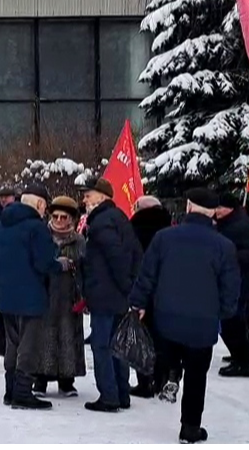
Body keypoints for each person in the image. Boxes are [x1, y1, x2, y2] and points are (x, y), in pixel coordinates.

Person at [130, 188, 240, 444]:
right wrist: (222, 312)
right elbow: (231, 287)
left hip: (167, 315)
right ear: (213, 212)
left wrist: (138, 302)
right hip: (203, 321)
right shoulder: (224, 246)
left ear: (189, 207)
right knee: (197, 374)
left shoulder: (164, 238)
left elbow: (147, 274)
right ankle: (190, 428)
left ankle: (170, 372)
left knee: (168, 350)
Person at [0, 184, 71, 410]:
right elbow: (44, 263)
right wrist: (60, 264)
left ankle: (10, 391)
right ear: (39, 204)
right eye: (45, 206)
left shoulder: (0, 226)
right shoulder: (37, 228)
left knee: (12, 344)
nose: (45, 211)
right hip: (31, 296)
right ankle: (23, 393)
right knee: (28, 345)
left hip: (6, 296)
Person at [79, 177, 143, 414]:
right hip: (117, 294)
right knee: (117, 345)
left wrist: (125, 285)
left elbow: (116, 257)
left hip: (106, 294)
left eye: (88, 195)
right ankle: (121, 393)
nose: (84, 199)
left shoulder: (102, 222)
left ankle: (109, 395)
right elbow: (136, 253)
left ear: (102, 196)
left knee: (102, 345)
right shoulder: (119, 218)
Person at [33, 196, 87, 398]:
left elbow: (85, 268)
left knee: (68, 337)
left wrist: (83, 293)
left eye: (64, 217)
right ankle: (40, 380)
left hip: (68, 294)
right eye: (55, 216)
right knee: (42, 336)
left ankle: (67, 380)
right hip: (45, 292)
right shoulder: (42, 236)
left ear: (72, 219)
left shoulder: (79, 240)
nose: (59, 220)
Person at [129, 195, 174, 399]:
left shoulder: (135, 228)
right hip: (166, 291)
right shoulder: (170, 229)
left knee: (142, 339)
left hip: (143, 288)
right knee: (162, 338)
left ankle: (145, 382)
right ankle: (162, 379)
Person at [214, 193, 249, 378]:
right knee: (233, 321)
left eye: (221, 207)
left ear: (231, 208)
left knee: (232, 321)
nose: (217, 211)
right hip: (233, 280)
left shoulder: (239, 226)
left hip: (240, 281)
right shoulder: (228, 223)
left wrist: (229, 259)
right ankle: (241, 355)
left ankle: (243, 361)